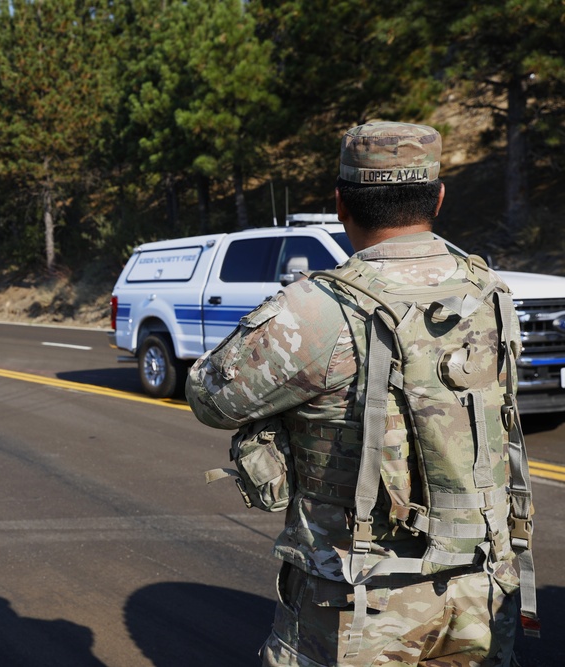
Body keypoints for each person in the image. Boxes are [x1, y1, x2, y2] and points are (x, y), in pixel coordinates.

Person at [187, 122, 537, 666]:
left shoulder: (318, 308)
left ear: (340, 203)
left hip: (360, 603)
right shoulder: (490, 292)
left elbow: (210, 397)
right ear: (438, 198)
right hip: (482, 585)